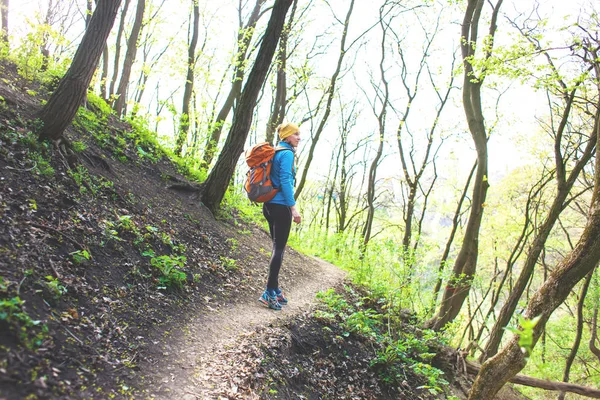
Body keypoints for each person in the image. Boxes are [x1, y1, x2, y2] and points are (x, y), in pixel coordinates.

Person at [258, 122, 302, 310]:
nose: (299, 137)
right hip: (281, 206)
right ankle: (268, 292)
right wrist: (293, 208)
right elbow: (285, 181)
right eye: (296, 134)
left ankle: (274, 288)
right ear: (286, 137)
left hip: (268, 205)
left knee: (277, 247)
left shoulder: (275, 152)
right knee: (279, 249)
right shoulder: (287, 154)